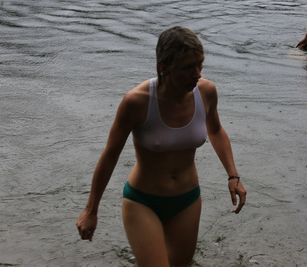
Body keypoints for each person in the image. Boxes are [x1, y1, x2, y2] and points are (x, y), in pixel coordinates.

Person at [76, 26, 247, 267]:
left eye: (200, 64)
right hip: (143, 201)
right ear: (163, 67)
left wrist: (233, 175)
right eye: (188, 67)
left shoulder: (206, 92)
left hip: (187, 200)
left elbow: (216, 130)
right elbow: (110, 155)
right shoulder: (137, 102)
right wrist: (91, 209)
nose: (197, 74)